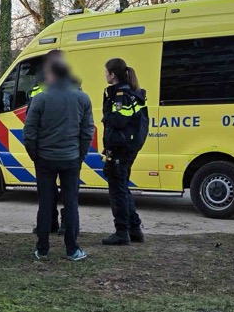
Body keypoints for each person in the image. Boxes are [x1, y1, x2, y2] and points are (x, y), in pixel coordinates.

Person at [22, 57, 93, 261]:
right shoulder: (82, 99)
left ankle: (42, 248)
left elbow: (29, 132)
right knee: (71, 203)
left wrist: (35, 155)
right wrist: (80, 155)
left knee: (45, 203)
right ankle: (72, 249)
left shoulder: (40, 99)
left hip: (45, 159)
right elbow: (87, 131)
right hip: (71, 158)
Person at [100, 57, 147, 245]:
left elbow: (119, 120)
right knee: (122, 188)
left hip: (120, 149)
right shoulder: (132, 92)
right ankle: (134, 229)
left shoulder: (121, 95)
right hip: (128, 148)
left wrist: (106, 113)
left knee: (117, 191)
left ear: (112, 74)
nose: (105, 75)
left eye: (106, 72)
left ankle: (122, 232)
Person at [26, 49, 66, 237]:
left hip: (49, 148)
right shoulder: (73, 87)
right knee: (59, 191)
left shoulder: (40, 88)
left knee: (54, 191)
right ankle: (56, 223)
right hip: (64, 148)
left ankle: (56, 224)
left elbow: (30, 123)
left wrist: (33, 150)